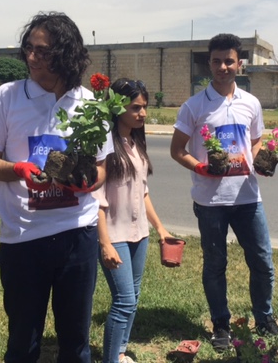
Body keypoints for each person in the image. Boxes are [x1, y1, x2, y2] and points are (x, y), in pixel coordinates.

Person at [0, 11, 112, 363]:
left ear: (66, 54)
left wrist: (89, 182)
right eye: (29, 49)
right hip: (23, 238)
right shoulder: (8, 97)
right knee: (23, 341)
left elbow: (101, 167)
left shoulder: (90, 103)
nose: (32, 57)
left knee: (76, 341)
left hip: (77, 235)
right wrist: (19, 168)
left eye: (43, 51)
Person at [170, 33, 278, 352]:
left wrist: (259, 158)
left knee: (262, 260)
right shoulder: (194, 106)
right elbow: (177, 150)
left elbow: (256, 139)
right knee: (215, 264)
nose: (223, 66)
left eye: (229, 60)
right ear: (209, 64)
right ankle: (220, 323)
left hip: (248, 197)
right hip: (211, 202)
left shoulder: (251, 103)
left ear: (239, 63)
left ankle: (264, 318)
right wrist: (201, 168)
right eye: (217, 61)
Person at [96, 78, 173, 363]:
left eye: (144, 107)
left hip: (138, 234)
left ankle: (119, 351)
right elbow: (96, 201)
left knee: (134, 297)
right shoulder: (103, 145)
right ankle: (111, 359)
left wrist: (160, 229)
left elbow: (143, 193)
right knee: (124, 301)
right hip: (113, 236)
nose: (143, 114)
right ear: (117, 108)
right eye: (136, 108)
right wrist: (104, 244)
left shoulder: (135, 141)